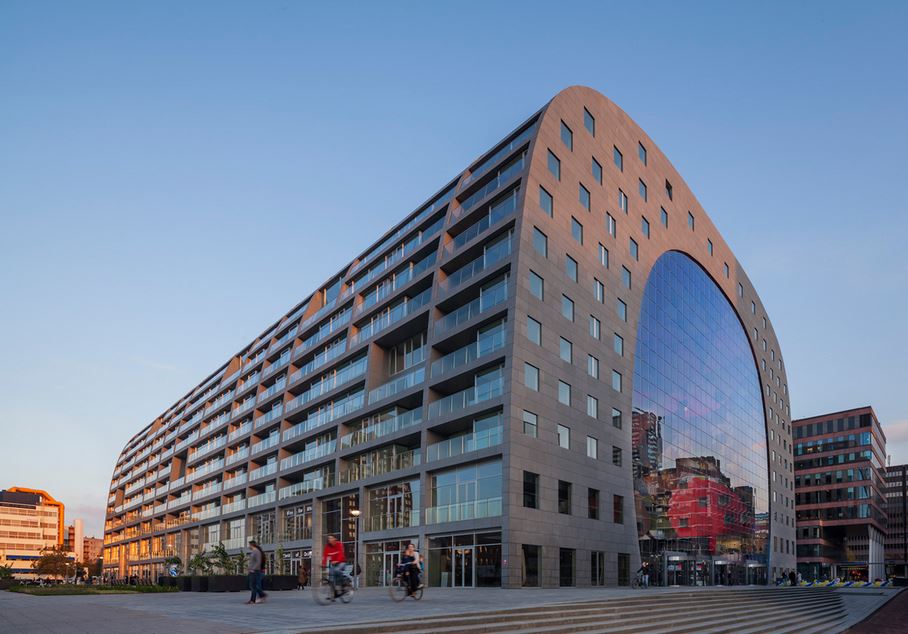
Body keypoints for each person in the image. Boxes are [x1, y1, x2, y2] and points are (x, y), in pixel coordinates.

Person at [246, 539, 268, 604]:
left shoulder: (257, 552)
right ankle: (258, 597)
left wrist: (253, 569)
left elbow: (258, 562)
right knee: (253, 586)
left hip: (255, 571)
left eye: (249, 545)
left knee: (253, 586)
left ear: (251, 545)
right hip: (252, 571)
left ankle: (255, 598)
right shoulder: (253, 551)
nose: (248, 546)